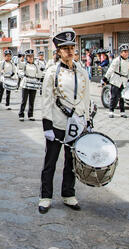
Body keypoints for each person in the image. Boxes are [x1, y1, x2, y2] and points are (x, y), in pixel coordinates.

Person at [39, 30, 91, 214]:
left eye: (72, 48)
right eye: (65, 48)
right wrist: (47, 126)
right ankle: (45, 196)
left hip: (76, 123)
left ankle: (68, 194)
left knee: (72, 161)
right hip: (57, 123)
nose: (70, 51)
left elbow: (86, 98)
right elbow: (46, 99)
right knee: (50, 161)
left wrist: (86, 121)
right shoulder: (52, 71)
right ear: (58, 52)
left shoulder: (82, 71)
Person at [103, 44, 129, 118]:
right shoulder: (117, 60)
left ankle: (122, 112)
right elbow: (111, 69)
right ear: (121, 53)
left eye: (127, 51)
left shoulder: (128, 61)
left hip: (123, 80)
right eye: (124, 52)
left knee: (122, 97)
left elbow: (128, 71)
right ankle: (111, 111)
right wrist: (105, 78)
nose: (126, 53)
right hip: (116, 80)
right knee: (114, 96)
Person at [18, 49, 43, 121]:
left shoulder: (36, 65)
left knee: (32, 100)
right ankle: (21, 114)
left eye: (32, 56)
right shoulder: (24, 64)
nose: (31, 58)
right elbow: (19, 70)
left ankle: (30, 115)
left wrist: (39, 77)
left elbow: (39, 73)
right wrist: (23, 75)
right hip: (26, 83)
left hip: (33, 83)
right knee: (24, 100)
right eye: (29, 56)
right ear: (27, 57)